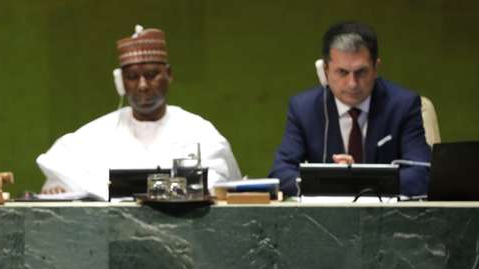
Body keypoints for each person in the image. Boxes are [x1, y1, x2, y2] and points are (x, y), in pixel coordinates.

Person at [38, 26, 241, 200]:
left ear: (168, 75)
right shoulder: (95, 134)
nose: (142, 85)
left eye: (151, 75)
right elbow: (59, 178)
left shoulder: (198, 131)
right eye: (132, 77)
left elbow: (218, 184)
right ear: (121, 82)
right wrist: (56, 189)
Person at [268, 21, 431, 197]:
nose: (352, 84)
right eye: (342, 72)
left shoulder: (402, 106)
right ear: (325, 70)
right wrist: (333, 182)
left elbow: (423, 173)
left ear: (376, 69)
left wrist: (358, 182)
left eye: (361, 72)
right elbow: (281, 174)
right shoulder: (303, 109)